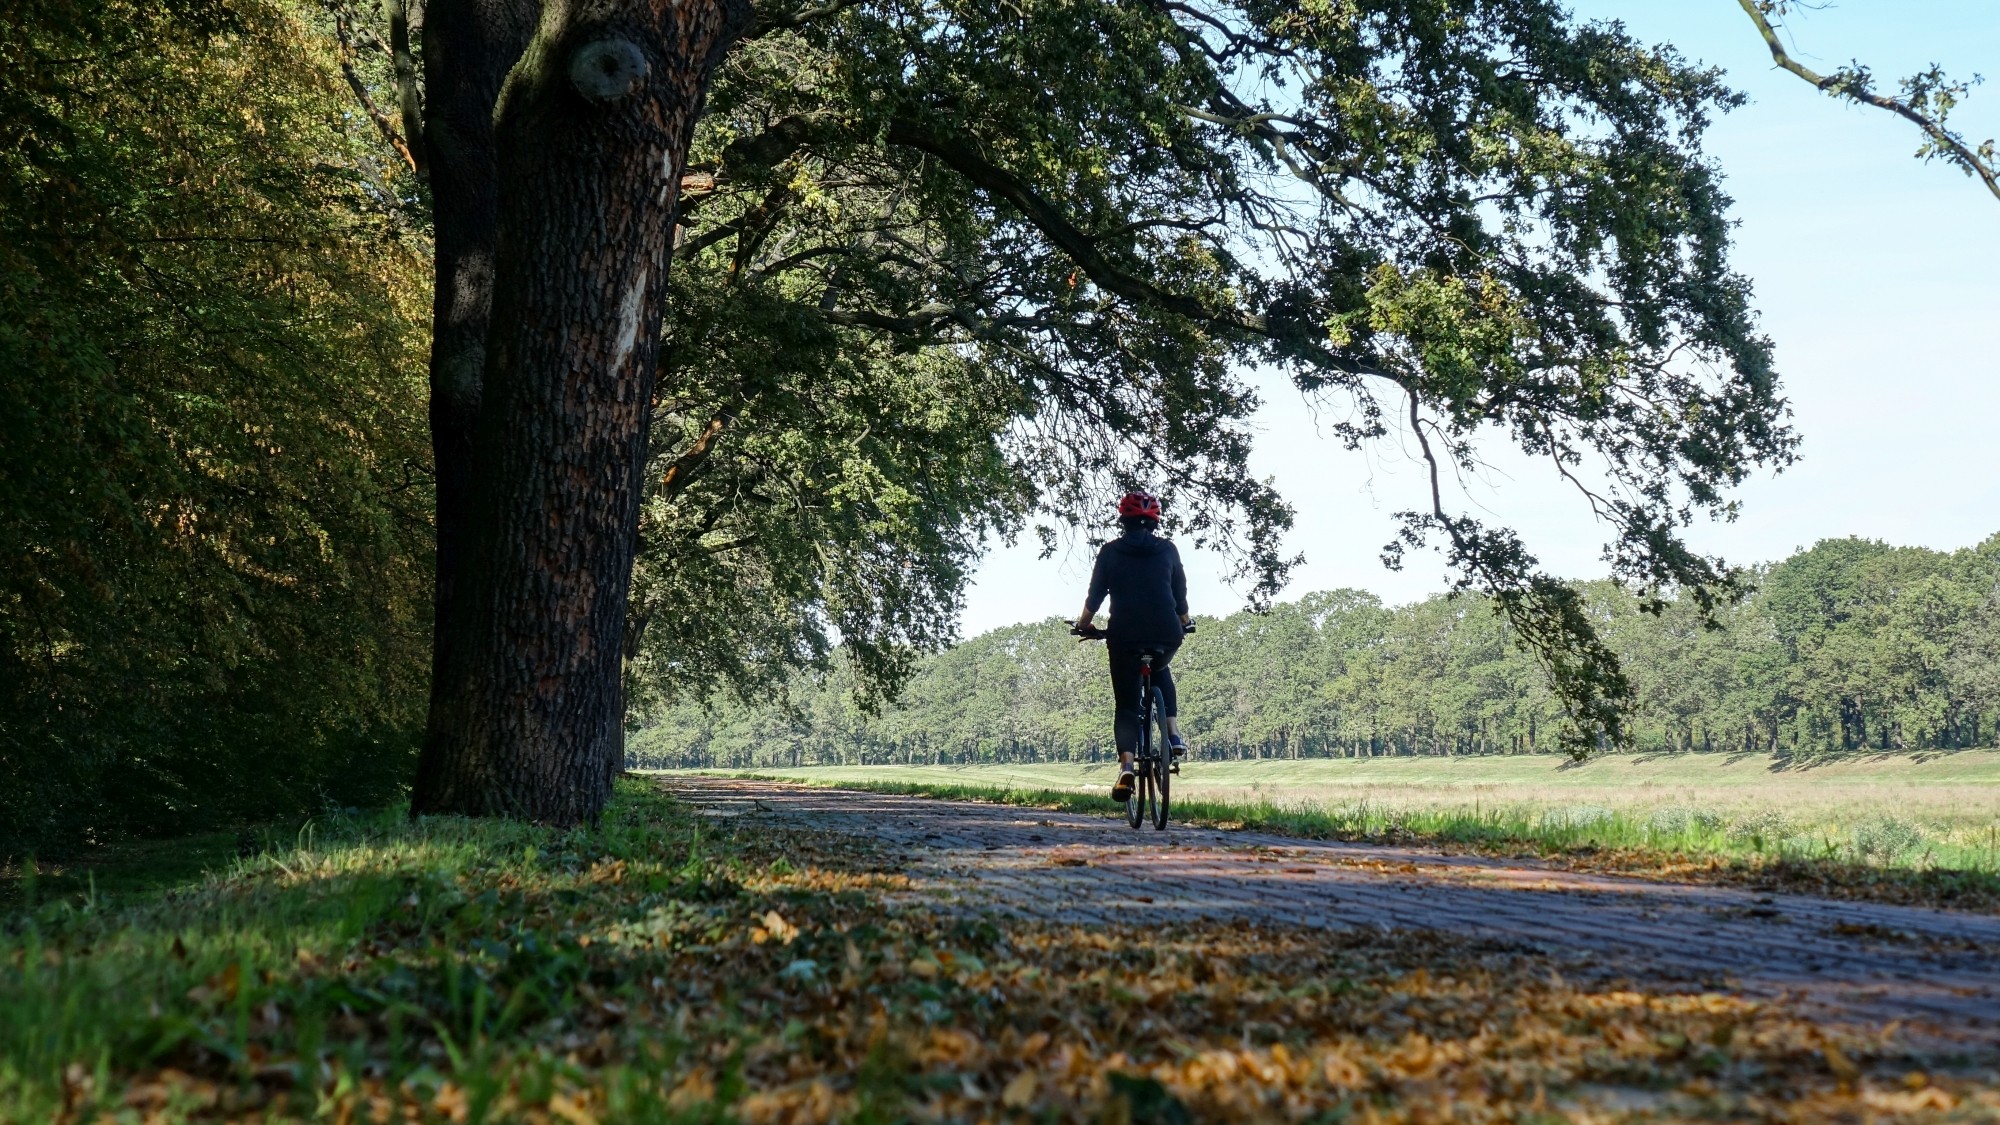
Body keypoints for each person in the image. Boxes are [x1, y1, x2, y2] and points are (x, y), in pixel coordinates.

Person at [1073, 490, 1191, 802]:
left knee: (1126, 705)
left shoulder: (1110, 552)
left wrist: (1083, 625)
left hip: (1124, 636)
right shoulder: (1168, 550)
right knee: (1160, 667)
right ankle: (1173, 734)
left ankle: (1126, 767)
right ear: (1154, 522)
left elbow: (1095, 596)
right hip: (1166, 633)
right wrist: (1185, 620)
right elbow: (1179, 595)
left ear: (1122, 521)